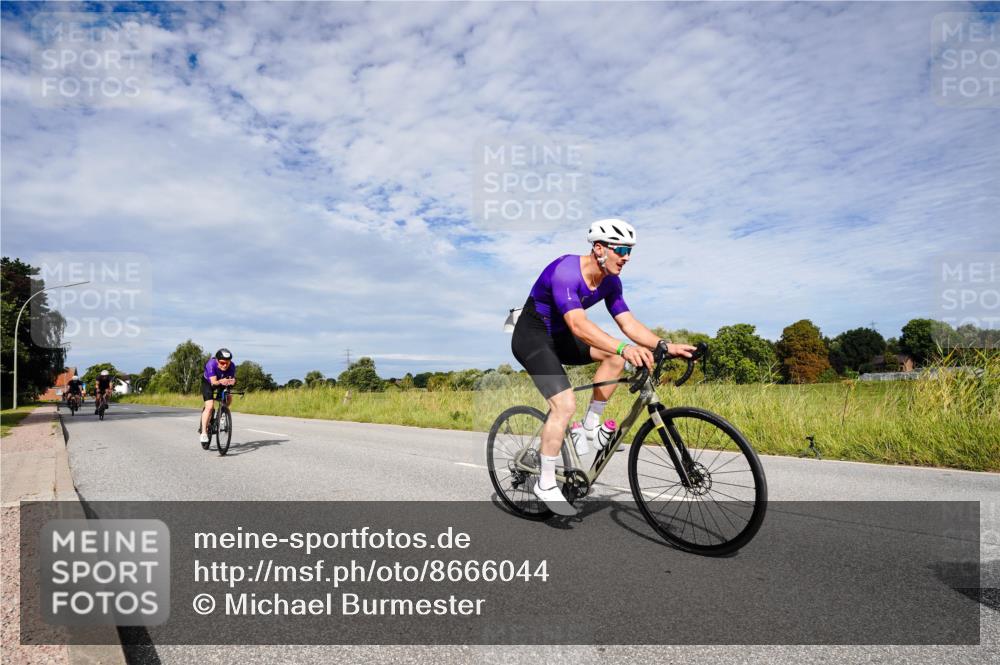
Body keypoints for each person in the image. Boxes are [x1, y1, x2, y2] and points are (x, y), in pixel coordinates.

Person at [511, 219, 696, 516]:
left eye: (630, 251)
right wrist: (624, 346)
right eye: (621, 249)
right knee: (564, 404)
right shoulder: (566, 272)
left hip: (562, 339)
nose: (627, 257)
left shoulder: (611, 282)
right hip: (532, 337)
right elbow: (578, 324)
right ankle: (545, 483)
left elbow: (627, 322)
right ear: (599, 248)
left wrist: (664, 345)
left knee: (614, 358)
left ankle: (590, 426)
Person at [200, 348, 237, 445]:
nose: (225, 365)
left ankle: (222, 414)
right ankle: (204, 432)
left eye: (227, 363)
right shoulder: (211, 364)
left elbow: (232, 380)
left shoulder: (232, 366)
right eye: (222, 363)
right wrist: (222, 381)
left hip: (222, 382)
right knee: (210, 406)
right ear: (217, 360)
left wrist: (233, 382)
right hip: (209, 383)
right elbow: (214, 382)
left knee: (228, 397)